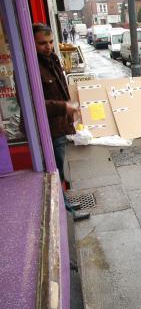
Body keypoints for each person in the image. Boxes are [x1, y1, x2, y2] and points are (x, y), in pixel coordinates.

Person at [33, 23, 90, 221]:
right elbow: (36, 104)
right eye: (42, 43)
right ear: (31, 42)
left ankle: (64, 202)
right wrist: (65, 108)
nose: (48, 47)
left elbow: (61, 90)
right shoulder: (31, 68)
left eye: (50, 42)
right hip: (47, 127)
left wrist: (69, 112)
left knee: (58, 168)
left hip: (58, 124)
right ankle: (65, 213)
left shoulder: (52, 59)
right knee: (54, 170)